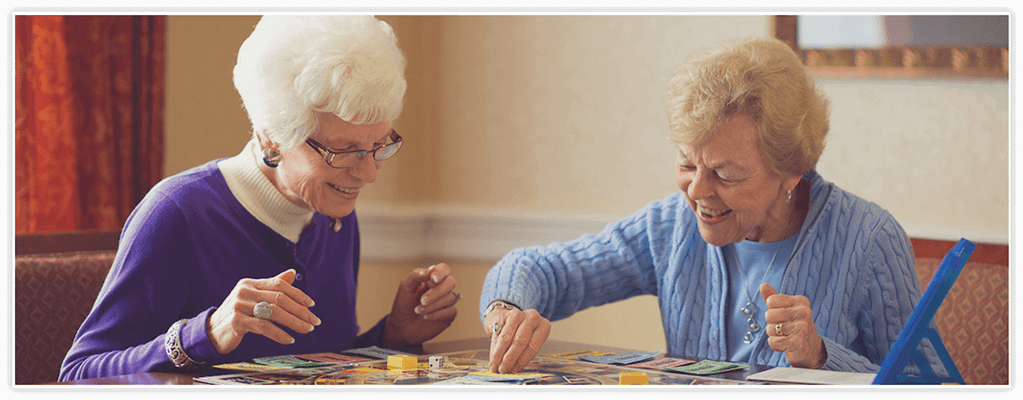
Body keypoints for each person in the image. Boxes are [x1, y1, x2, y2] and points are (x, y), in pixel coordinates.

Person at [479, 37, 946, 375]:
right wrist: (506, 309)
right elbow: (544, 269)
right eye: (686, 163)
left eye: (726, 173)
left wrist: (823, 356)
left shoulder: (867, 239)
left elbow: (929, 383)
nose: (698, 191)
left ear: (792, 168)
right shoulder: (669, 227)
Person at [59, 15, 459, 381]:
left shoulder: (334, 211)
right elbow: (79, 374)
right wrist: (209, 332)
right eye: (344, 151)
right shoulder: (178, 213)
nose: (368, 173)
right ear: (273, 136)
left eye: (378, 146)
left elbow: (316, 364)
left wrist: (393, 334)